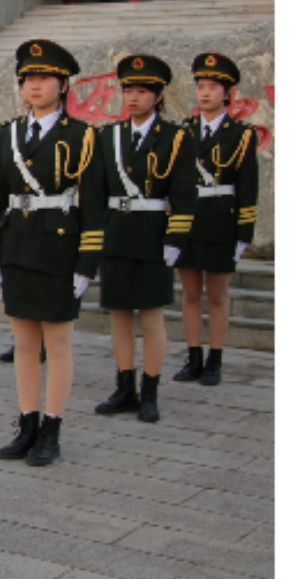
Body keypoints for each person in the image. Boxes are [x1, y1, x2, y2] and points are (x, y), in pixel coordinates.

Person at [0, 39, 103, 468]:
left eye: (44, 78)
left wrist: (86, 262)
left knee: (58, 343)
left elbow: (94, 205)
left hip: (59, 251)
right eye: (27, 78)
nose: (34, 86)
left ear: (63, 85)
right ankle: (27, 423)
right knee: (23, 344)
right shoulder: (8, 134)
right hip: (17, 246)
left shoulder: (83, 136)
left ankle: (52, 428)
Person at [89, 53, 193, 426]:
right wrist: (96, 235)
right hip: (117, 233)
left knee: (151, 319)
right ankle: (124, 387)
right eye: (128, 90)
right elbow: (96, 192)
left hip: (152, 236)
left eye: (142, 91)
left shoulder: (176, 138)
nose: (133, 97)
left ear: (158, 96)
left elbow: (184, 194)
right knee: (119, 316)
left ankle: (149, 392)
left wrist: (175, 238)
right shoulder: (109, 136)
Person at [171, 53, 257, 387]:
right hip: (189, 221)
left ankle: (215, 360)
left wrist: (244, 233)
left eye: (212, 87)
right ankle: (193, 357)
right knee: (190, 293)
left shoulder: (241, 135)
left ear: (227, 93)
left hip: (221, 221)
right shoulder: (184, 132)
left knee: (218, 295)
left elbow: (247, 187)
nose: (205, 93)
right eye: (201, 86)